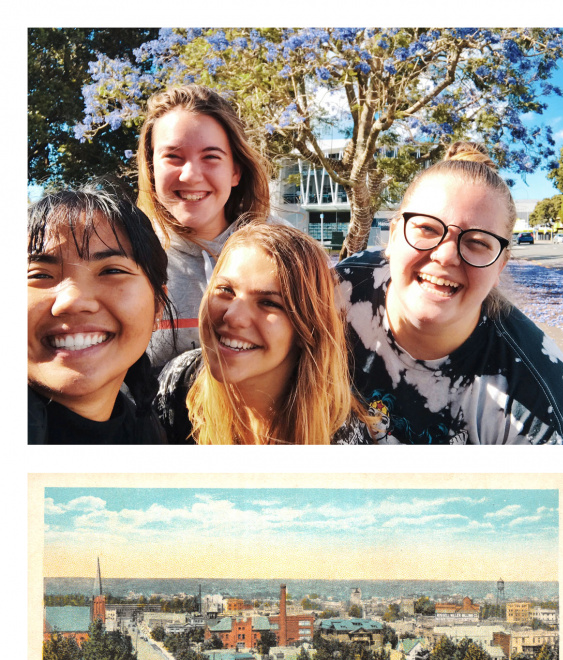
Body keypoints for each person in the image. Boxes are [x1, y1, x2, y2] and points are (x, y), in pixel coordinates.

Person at [336, 141, 563, 444]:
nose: (446, 256)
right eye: (427, 229)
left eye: (477, 241)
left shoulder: (538, 402)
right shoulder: (339, 290)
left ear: (500, 265)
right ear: (394, 237)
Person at [155, 222, 372, 444]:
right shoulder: (177, 383)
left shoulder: (341, 439)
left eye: (269, 302)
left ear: (307, 328)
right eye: (225, 290)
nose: (233, 316)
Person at [137, 84, 271, 368]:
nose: (191, 175)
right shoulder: (126, 258)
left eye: (211, 157)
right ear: (151, 168)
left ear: (235, 171)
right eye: (173, 157)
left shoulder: (283, 254)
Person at [28, 186, 174, 444]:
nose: (72, 301)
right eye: (40, 275)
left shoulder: (149, 433)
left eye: (111, 271)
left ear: (158, 306)